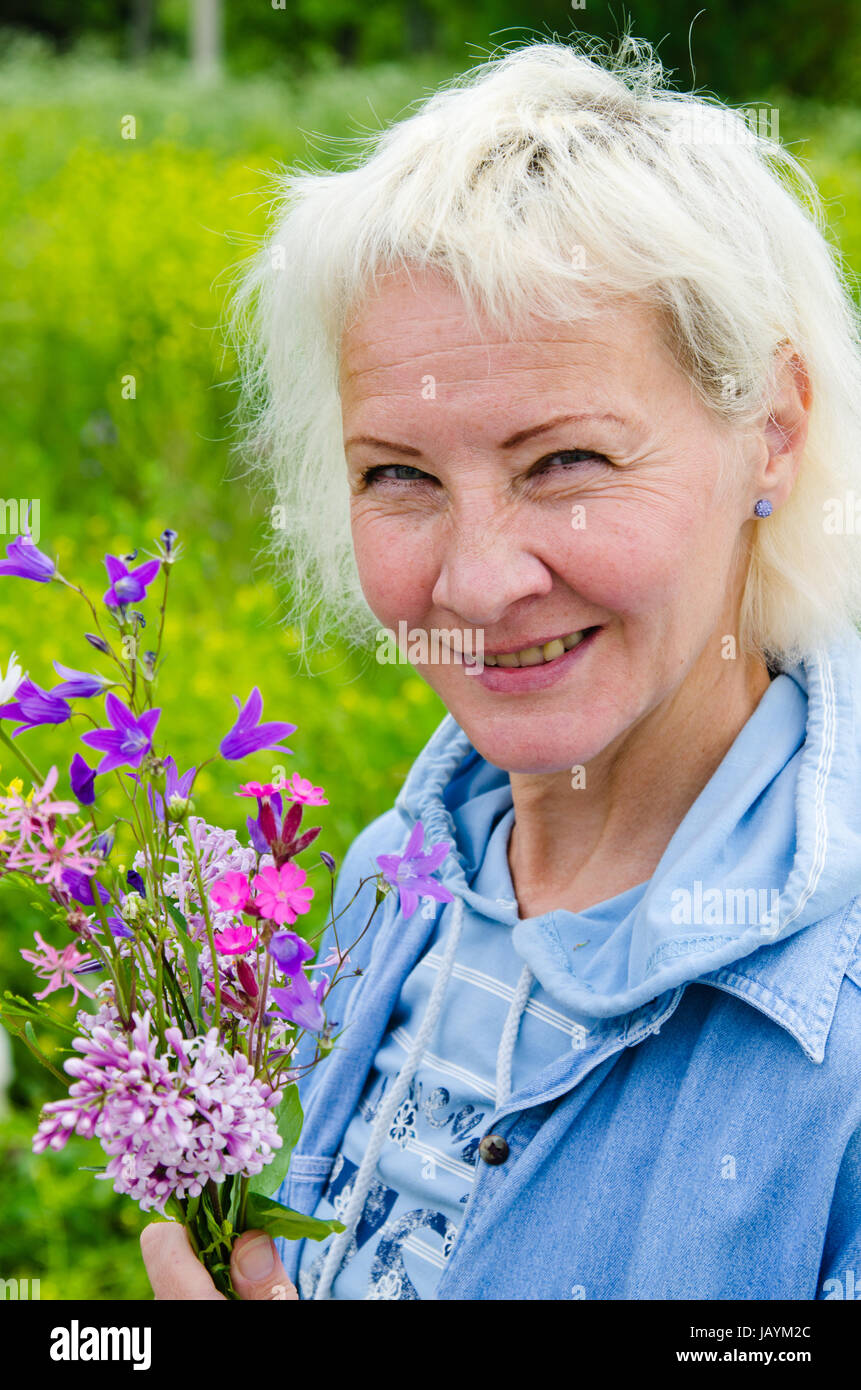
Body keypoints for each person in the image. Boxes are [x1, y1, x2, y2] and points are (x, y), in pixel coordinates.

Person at [142, 34, 861, 1301]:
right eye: (399, 475)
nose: (475, 585)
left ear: (773, 432)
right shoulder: (391, 881)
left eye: (566, 462)